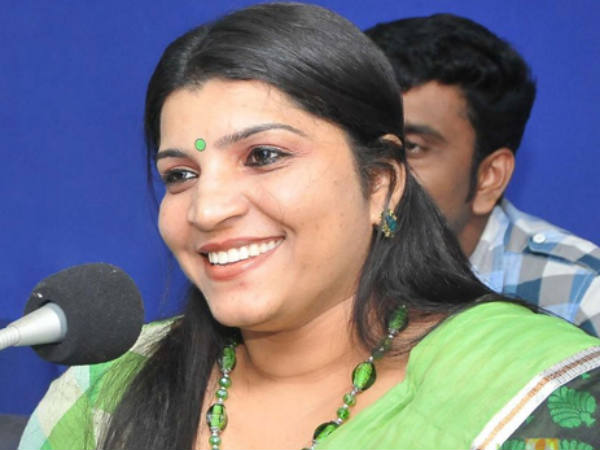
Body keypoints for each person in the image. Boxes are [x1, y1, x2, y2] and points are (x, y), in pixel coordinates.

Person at [19, 4, 600, 450]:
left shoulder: (534, 391)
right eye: (181, 174)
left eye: (264, 156)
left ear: (381, 184)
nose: (206, 209)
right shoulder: (106, 390)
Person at [365, 15, 600, 335]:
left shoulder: (581, 299)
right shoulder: (313, 266)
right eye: (360, 139)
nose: (374, 169)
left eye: (412, 147)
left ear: (490, 177)